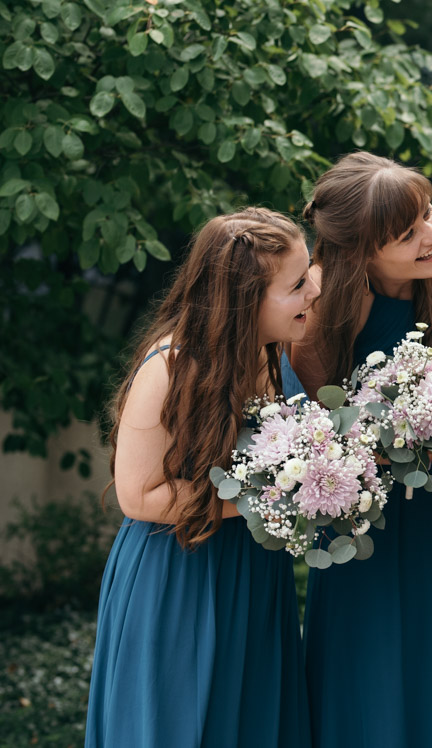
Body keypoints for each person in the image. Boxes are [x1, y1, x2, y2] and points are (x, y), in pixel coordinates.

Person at [88, 208, 320, 747]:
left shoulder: (268, 356)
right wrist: (272, 497)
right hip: (179, 572)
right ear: (246, 298)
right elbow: (138, 495)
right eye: (297, 283)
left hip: (251, 570)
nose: (313, 291)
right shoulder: (168, 368)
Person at [292, 152, 432, 748]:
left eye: (429, 214)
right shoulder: (323, 304)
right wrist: (394, 433)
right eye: (408, 234)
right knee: (381, 677)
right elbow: (323, 435)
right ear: (361, 251)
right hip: (378, 525)